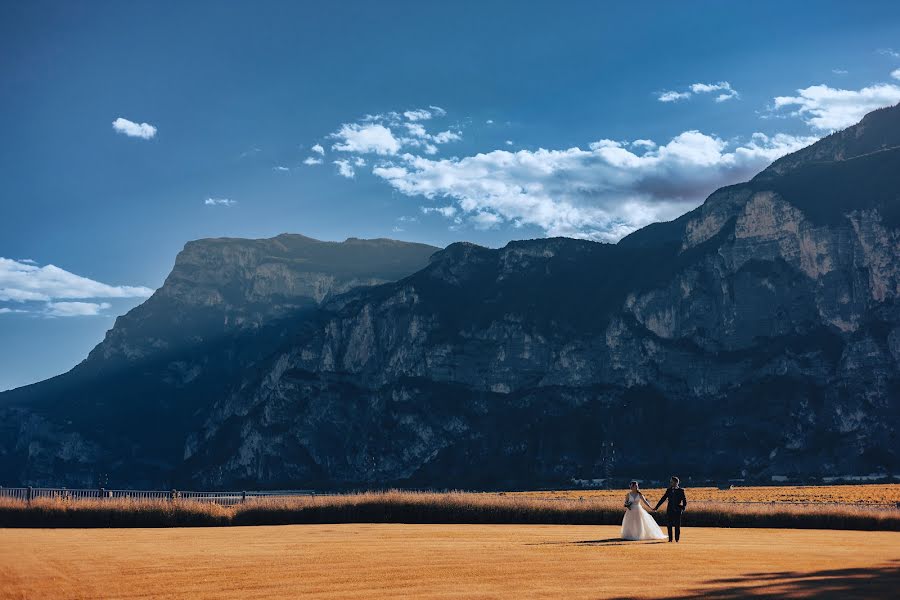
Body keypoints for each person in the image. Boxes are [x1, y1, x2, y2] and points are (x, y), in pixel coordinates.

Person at [653, 476, 688, 542]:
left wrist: (683, 508)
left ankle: (677, 539)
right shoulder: (668, 490)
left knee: (677, 525)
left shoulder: (681, 491)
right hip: (669, 509)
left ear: (676, 482)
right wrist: (656, 507)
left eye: (671, 482)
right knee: (669, 525)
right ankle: (670, 539)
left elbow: (684, 500)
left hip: (678, 510)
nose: (670, 483)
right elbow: (663, 499)